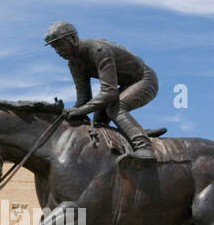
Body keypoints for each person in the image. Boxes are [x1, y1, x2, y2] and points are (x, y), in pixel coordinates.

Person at [44, 20, 159, 160]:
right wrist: (68, 114)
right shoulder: (74, 64)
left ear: (73, 39)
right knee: (99, 120)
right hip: (125, 84)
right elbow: (83, 99)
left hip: (144, 80)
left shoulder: (99, 50)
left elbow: (109, 92)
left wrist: (79, 111)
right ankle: (132, 133)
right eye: (54, 48)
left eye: (59, 45)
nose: (57, 51)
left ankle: (144, 147)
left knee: (115, 108)